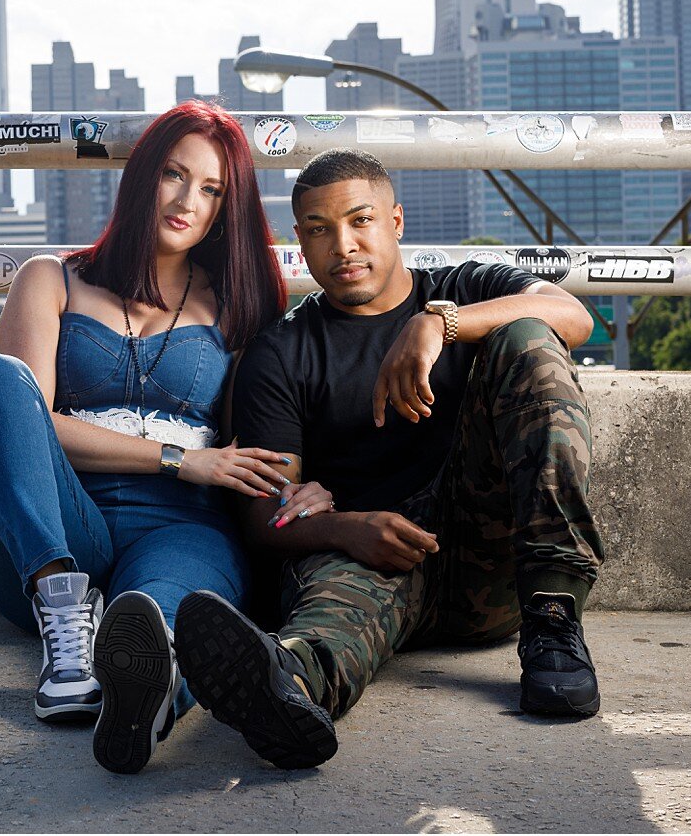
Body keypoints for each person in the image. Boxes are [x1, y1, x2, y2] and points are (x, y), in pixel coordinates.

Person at [176, 148, 606, 770]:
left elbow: (574, 316)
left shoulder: (466, 288)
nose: (343, 246)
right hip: (374, 560)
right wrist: (346, 526)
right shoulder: (284, 351)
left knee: (530, 337)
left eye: (360, 221)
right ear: (301, 240)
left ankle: (555, 619)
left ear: (396, 222)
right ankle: (287, 686)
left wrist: (440, 326)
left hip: (493, 563)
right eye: (320, 230)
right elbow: (265, 515)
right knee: (323, 621)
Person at [0, 102, 331, 775]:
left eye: (212, 189)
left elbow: (268, 431)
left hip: (181, 527)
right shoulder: (52, 280)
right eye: (174, 175)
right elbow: (25, 422)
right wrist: (179, 458)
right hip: (55, 523)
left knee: (163, 623)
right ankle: (63, 617)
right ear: (142, 177)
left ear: (227, 204)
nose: (189, 200)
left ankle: (147, 701)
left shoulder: (238, 302)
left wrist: (314, 481)